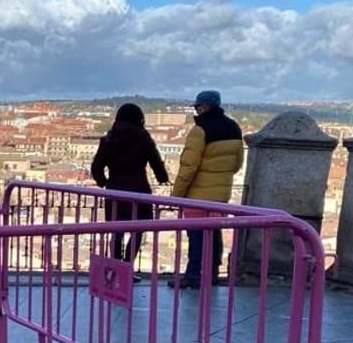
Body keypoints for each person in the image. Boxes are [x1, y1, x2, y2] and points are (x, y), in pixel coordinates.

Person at [170, 90, 244, 288]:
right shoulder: (234, 128)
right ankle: (211, 274)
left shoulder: (200, 130)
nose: (197, 109)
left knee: (196, 236)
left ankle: (193, 275)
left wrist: (176, 196)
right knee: (214, 234)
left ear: (203, 107)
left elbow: (189, 166)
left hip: (198, 194)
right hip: (221, 194)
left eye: (197, 106)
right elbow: (237, 164)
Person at [90, 103, 170, 268]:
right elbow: (156, 162)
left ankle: (117, 268)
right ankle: (128, 267)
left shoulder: (109, 139)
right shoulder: (144, 138)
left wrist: (104, 183)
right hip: (139, 190)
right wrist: (163, 178)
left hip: (115, 190)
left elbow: (96, 167)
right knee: (137, 230)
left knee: (117, 231)